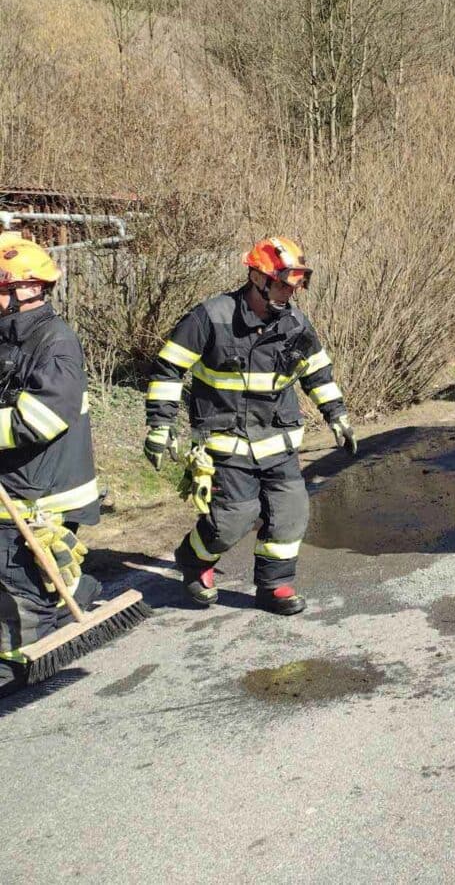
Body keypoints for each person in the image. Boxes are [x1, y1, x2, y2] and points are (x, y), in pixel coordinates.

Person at [144, 237, 356, 615]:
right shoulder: (211, 316)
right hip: (225, 441)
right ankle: (194, 560)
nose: (288, 293)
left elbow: (317, 373)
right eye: (281, 284)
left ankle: (274, 586)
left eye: (294, 286)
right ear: (256, 278)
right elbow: (169, 368)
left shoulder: (295, 322)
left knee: (291, 513)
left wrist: (336, 415)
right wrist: (160, 424)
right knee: (232, 520)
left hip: (277, 440)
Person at [0, 235, 103, 663]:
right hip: (19, 484)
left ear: (24, 289)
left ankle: (19, 666)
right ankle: (74, 587)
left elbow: (39, 419)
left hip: (43, 494)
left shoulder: (56, 343)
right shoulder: (9, 337)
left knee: (18, 581)